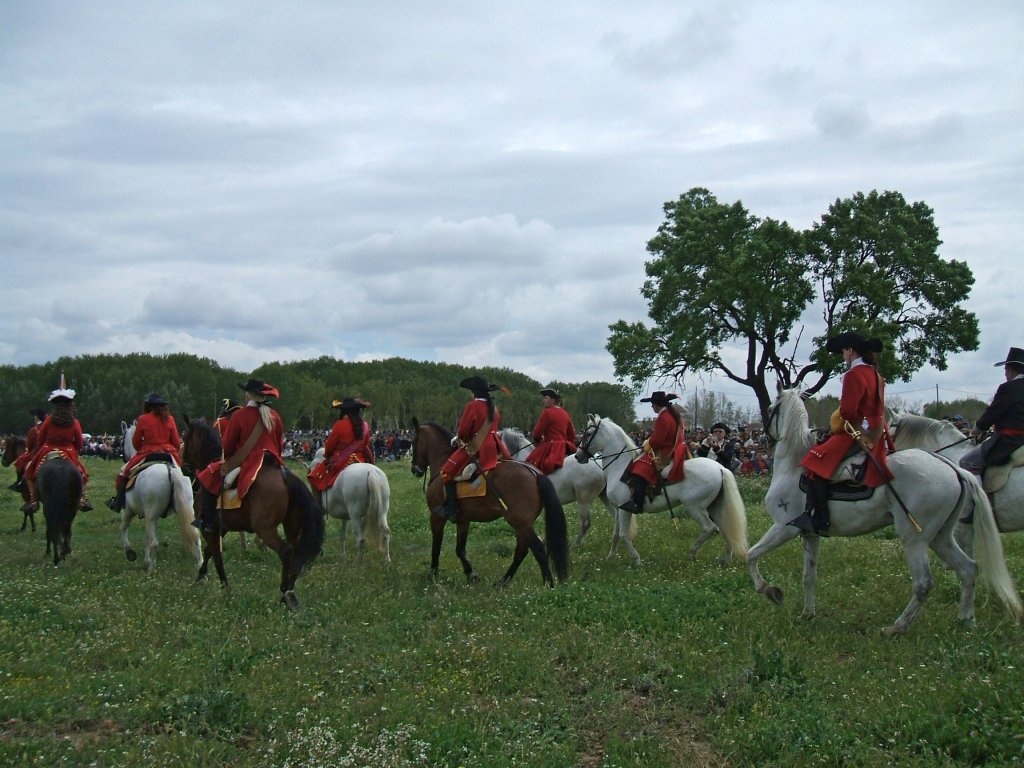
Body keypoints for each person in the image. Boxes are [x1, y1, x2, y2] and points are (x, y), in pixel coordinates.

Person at [791, 331, 894, 535]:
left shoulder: (854, 374)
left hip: (855, 433)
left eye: (843, 352)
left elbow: (848, 411)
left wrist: (837, 416)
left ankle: (820, 519)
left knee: (813, 462)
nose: (843, 356)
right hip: (875, 433)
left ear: (850, 351)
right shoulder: (876, 374)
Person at [193, 379, 284, 531]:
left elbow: (227, 447)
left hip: (249, 463)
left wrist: (229, 460)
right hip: (273, 461)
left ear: (248, 395)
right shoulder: (275, 416)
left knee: (208, 475)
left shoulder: (240, 416)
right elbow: (279, 444)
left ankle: (208, 521)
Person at [435, 375, 511, 521]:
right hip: (495, 447)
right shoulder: (494, 408)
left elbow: (463, 431)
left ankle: (453, 509)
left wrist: (458, 439)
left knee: (446, 471)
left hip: (479, 447)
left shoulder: (473, 406)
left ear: (474, 392)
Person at [21, 380, 93, 513]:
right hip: (69, 451)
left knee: (29, 473)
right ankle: (82, 498)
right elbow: (79, 443)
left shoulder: (48, 420)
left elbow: (41, 439)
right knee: (83, 476)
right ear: (70, 405)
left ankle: (34, 500)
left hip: (47, 449)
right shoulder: (75, 422)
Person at [106, 393, 182, 512]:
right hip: (168, 453)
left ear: (148, 405)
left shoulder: (143, 419)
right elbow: (176, 443)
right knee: (185, 474)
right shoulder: (170, 419)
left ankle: (119, 501)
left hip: (148, 452)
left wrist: (144, 447)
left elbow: (136, 442)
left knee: (124, 472)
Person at [618, 391, 687, 514]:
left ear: (656, 405)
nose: (651, 406)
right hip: (674, 448)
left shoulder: (663, 417)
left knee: (639, 469)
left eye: (652, 404)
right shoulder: (672, 414)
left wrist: (647, 443)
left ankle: (637, 503)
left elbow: (658, 441)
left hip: (665, 451)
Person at [959, 346, 1024, 475]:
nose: (1005, 374)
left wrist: (976, 430)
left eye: (1005, 370)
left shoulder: (1008, 388)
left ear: (1011, 370)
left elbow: (992, 413)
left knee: (966, 462)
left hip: (1009, 442)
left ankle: (978, 495)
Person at [308, 397, 375, 506]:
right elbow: (365, 444)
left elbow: (329, 446)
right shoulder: (365, 426)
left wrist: (328, 454)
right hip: (361, 459)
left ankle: (318, 506)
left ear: (344, 411)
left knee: (314, 476)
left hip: (341, 462)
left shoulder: (340, 425)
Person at [525, 387, 577, 474]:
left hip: (551, 447)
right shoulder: (565, 413)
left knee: (530, 464)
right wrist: (568, 446)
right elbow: (572, 434)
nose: (543, 400)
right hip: (564, 447)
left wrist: (538, 441)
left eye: (546, 398)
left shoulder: (547, 412)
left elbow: (537, 433)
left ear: (553, 400)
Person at [8, 408, 46, 492]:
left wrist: (28, 448)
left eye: (35, 418)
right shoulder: (49, 427)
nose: (34, 419)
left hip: (36, 453)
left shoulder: (34, 429)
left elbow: (29, 445)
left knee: (19, 461)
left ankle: (20, 483)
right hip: (50, 451)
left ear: (37, 418)